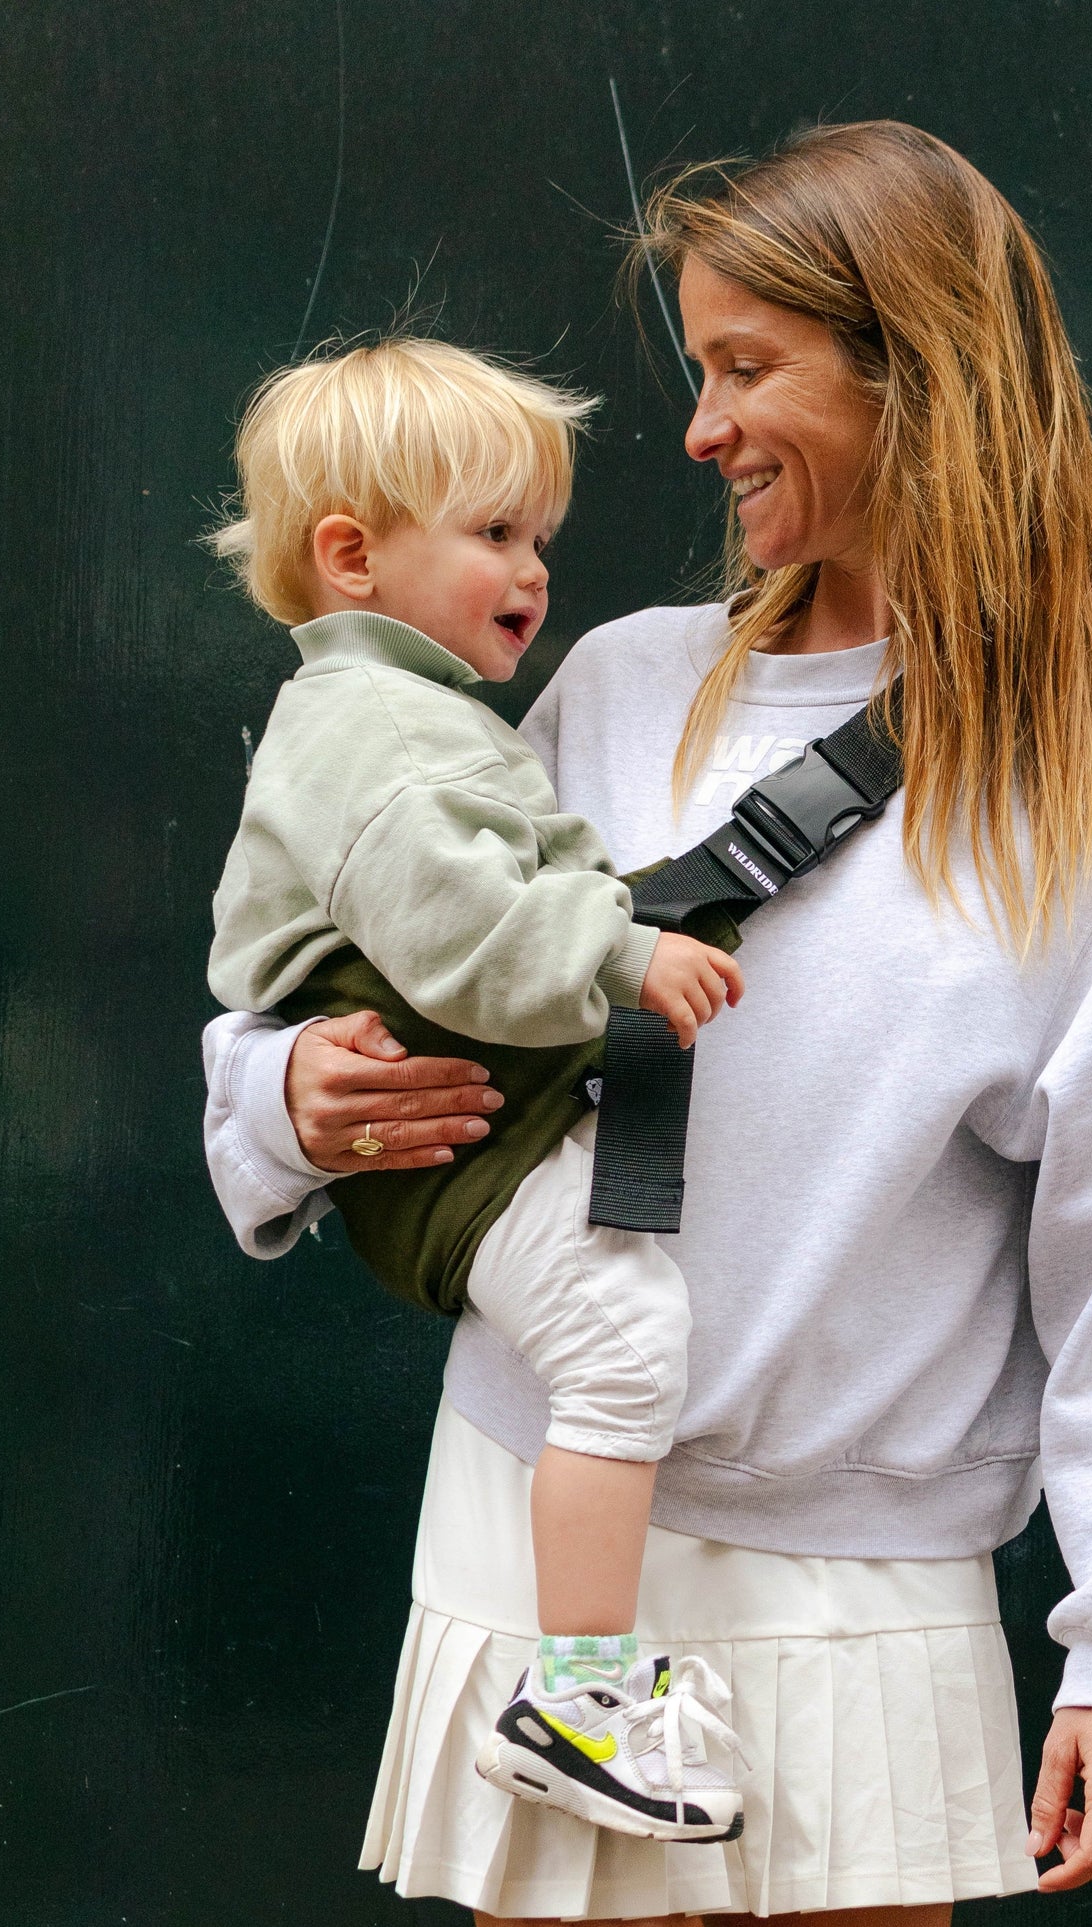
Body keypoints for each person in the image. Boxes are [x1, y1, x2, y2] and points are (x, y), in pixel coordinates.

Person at [202, 120, 1092, 1927]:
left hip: (866, 1564)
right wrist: (283, 1093)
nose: (698, 431)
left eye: (745, 368)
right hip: (547, 1527)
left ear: (915, 376)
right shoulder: (615, 685)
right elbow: (349, 933)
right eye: (702, 371)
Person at [205, 337, 749, 1841]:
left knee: (627, 1336)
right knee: (627, 1341)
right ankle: (577, 1690)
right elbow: (458, 935)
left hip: (470, 1129)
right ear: (351, 555)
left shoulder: (413, 716)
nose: (533, 571)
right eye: (497, 534)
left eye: (538, 540)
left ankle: (582, 1679)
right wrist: (623, 954)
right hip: (450, 1139)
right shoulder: (377, 733)